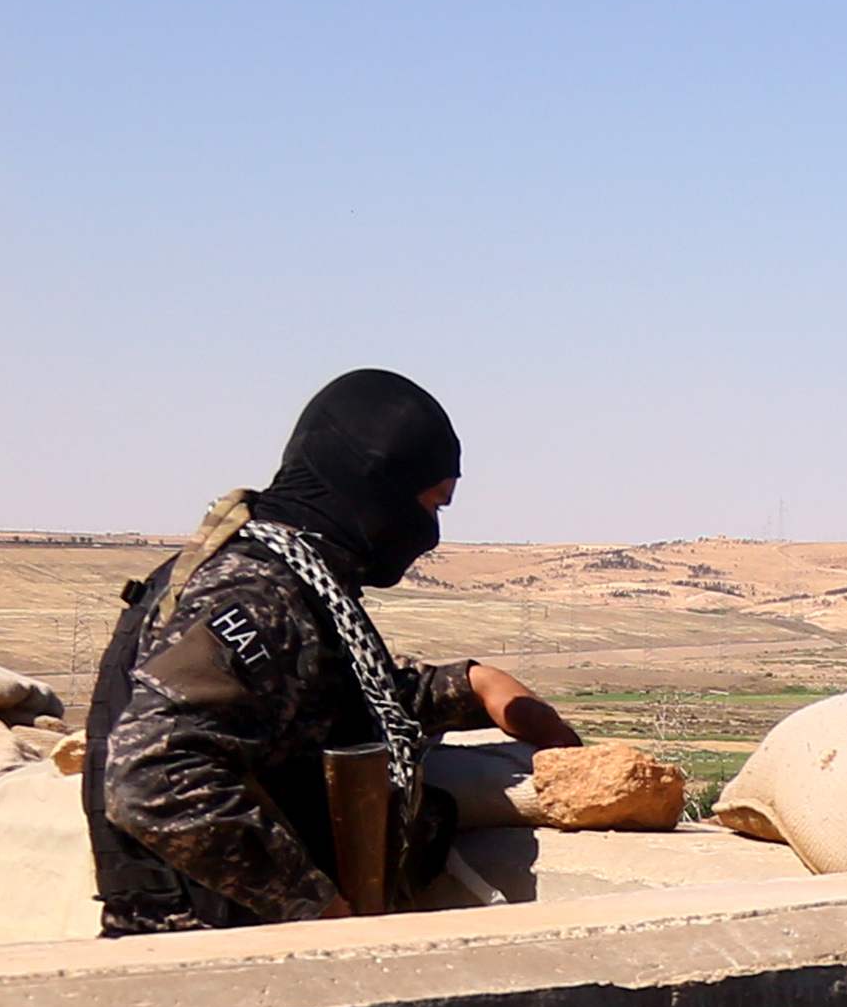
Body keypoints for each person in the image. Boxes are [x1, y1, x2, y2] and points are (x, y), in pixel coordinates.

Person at [83, 369, 580, 931]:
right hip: (210, 958)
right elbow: (155, 778)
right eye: (432, 506)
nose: (430, 534)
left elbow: (328, 702)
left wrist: (475, 685)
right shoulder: (254, 592)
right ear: (375, 486)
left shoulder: (290, 576)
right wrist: (317, 904)